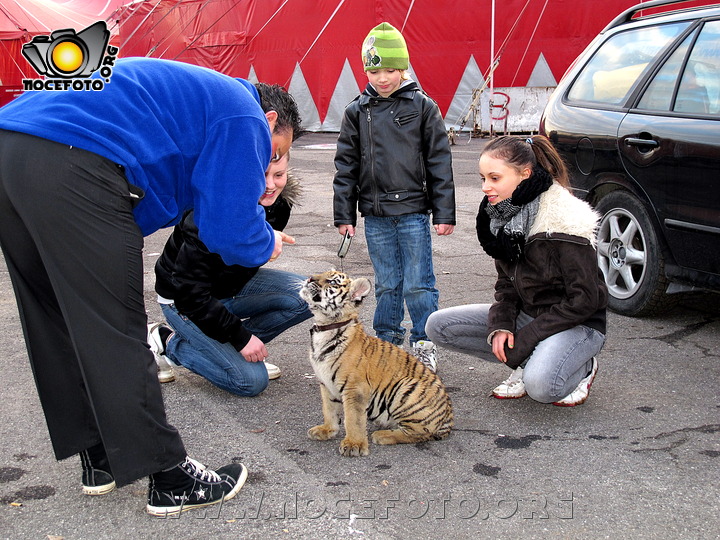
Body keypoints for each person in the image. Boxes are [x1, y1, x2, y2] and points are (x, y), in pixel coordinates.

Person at [0, 57, 301, 516]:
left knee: (54, 317)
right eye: (272, 152)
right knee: (114, 328)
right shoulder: (244, 114)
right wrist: (266, 242)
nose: (266, 163)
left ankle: (98, 455)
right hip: (76, 160)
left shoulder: (200, 96)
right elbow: (229, 232)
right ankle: (169, 477)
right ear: (270, 121)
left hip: (12, 145)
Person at [426, 135, 608, 406]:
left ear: (525, 174)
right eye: (482, 178)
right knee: (439, 326)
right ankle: (533, 359)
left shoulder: (564, 221)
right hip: (530, 315)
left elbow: (584, 301)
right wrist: (501, 325)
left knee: (542, 388)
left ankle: (581, 368)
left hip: (576, 324)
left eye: (495, 178)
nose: (486, 187)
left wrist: (527, 337)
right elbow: (507, 286)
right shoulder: (503, 218)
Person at [333, 22, 456, 372]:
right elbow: (346, 166)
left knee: (419, 282)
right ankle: (386, 340)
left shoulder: (423, 107)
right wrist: (344, 214)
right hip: (375, 215)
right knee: (387, 283)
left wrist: (443, 212)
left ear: (403, 68)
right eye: (374, 70)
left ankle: (423, 340)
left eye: (389, 69)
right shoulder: (356, 111)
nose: (382, 77)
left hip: (414, 212)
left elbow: (438, 160)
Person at [149, 150, 312, 395]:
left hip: (230, 286)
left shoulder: (279, 204)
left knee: (309, 297)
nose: (270, 185)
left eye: (279, 174)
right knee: (250, 381)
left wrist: (261, 244)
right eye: (261, 175)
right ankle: (166, 341)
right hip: (183, 299)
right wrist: (240, 337)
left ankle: (226, 353)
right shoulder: (210, 209)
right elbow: (189, 294)